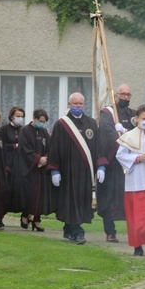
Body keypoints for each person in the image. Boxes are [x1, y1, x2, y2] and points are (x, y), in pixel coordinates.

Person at [48, 92, 106, 245]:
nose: (78, 106)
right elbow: (54, 148)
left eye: (80, 104)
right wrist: (55, 170)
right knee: (71, 202)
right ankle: (78, 232)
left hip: (86, 173)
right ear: (69, 105)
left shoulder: (92, 123)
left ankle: (69, 228)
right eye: (75, 104)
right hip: (69, 173)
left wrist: (100, 166)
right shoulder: (61, 124)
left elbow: (98, 147)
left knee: (81, 202)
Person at [116, 105, 145, 257]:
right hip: (136, 181)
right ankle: (137, 246)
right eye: (143, 118)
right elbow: (120, 155)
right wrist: (138, 158)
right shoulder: (128, 136)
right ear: (136, 118)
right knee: (136, 217)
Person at [96, 84, 135, 242]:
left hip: (129, 164)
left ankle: (134, 231)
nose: (126, 97)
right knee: (109, 198)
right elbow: (106, 131)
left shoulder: (133, 114)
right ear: (116, 96)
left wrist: (125, 132)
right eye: (123, 94)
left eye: (128, 94)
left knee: (130, 200)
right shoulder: (108, 113)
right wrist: (123, 138)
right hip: (112, 163)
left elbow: (139, 131)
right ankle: (110, 232)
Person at [15, 109, 51, 232]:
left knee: (40, 195)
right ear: (34, 118)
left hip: (41, 170)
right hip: (29, 169)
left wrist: (45, 158)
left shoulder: (44, 132)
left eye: (44, 121)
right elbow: (25, 149)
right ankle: (26, 215)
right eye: (40, 121)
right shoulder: (24, 131)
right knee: (30, 194)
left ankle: (37, 220)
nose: (41, 123)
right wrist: (37, 159)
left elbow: (49, 148)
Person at [0, 106, 25, 185]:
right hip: (8, 163)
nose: (20, 118)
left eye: (22, 116)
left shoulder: (24, 130)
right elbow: (0, 145)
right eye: (18, 116)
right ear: (11, 117)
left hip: (21, 164)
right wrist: (14, 146)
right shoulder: (4, 129)